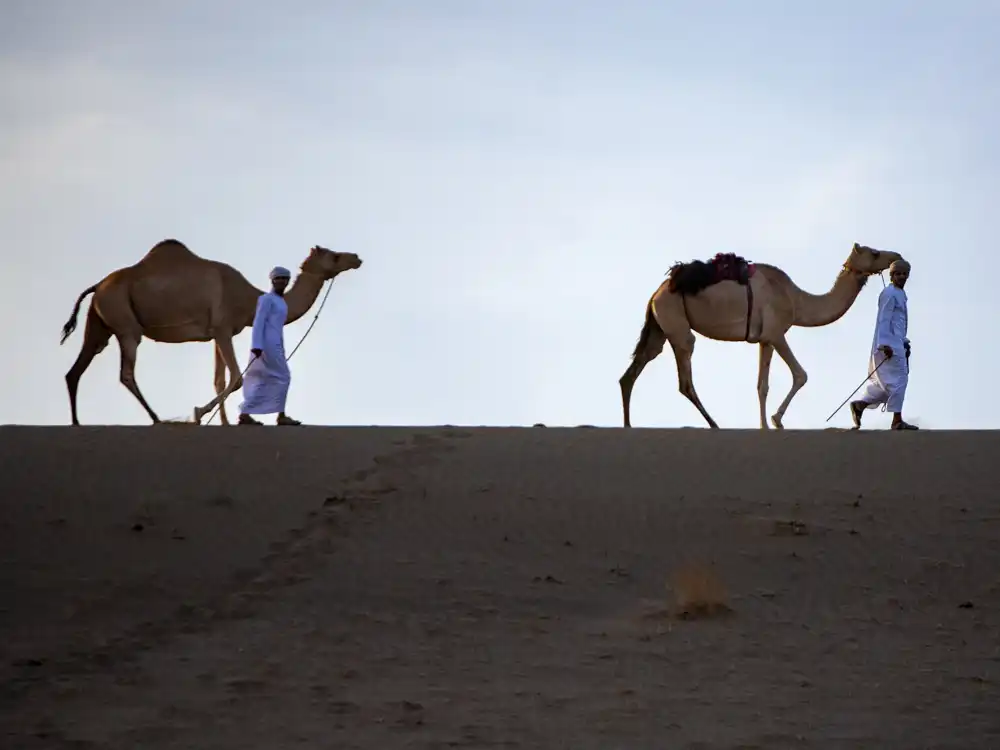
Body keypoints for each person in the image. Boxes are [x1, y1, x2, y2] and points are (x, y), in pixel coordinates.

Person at [850, 258, 917, 430]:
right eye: (898, 273)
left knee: (887, 383)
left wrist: (904, 342)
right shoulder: (889, 293)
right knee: (900, 379)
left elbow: (899, 323)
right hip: (888, 345)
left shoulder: (901, 294)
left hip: (897, 343)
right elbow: (883, 320)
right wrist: (884, 344)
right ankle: (897, 420)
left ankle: (860, 405)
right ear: (892, 275)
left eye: (904, 274)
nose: (901, 276)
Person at [237, 266, 302, 426]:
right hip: (266, 345)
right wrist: (257, 345)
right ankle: (280, 415)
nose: (281, 281)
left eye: (284, 279)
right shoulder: (266, 299)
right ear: (272, 280)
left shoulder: (280, 301)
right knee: (283, 376)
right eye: (278, 278)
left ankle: (246, 413)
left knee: (265, 377)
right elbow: (258, 322)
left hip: (275, 343)